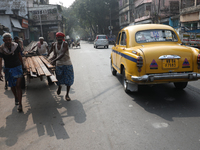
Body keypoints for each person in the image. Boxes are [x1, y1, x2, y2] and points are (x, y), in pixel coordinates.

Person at [0, 33, 24, 112]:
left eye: (9, 39)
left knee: (18, 85)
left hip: (17, 67)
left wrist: (23, 66)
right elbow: (0, 61)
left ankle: (20, 104)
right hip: (8, 69)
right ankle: (16, 97)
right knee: (12, 86)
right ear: (3, 40)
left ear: (11, 39)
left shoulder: (16, 46)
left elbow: (19, 56)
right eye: (5, 40)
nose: (7, 41)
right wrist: (0, 72)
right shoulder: (1, 49)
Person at [50, 32, 74, 101]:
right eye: (58, 37)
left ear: (63, 38)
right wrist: (50, 59)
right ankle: (59, 86)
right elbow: (55, 55)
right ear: (56, 38)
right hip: (59, 64)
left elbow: (62, 53)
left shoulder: (65, 44)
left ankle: (67, 95)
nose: (59, 38)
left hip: (67, 64)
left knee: (68, 80)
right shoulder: (54, 45)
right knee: (58, 78)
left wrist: (54, 60)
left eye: (61, 37)